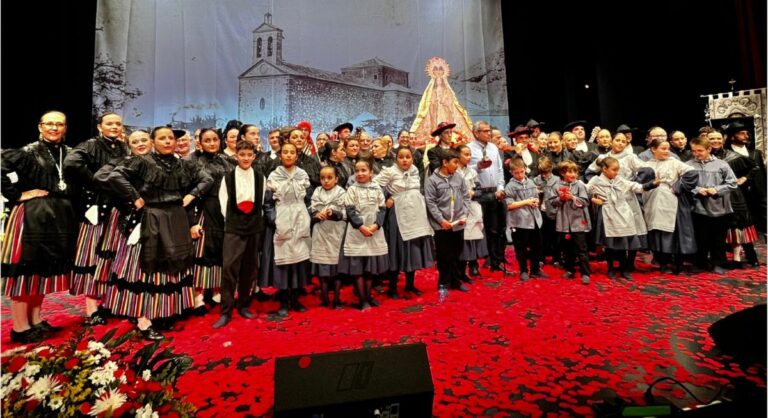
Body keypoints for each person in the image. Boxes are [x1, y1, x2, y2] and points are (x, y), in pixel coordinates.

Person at [99, 126, 213, 340]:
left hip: (176, 217)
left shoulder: (184, 164)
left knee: (173, 265)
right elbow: (115, 176)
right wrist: (135, 197)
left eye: (170, 138)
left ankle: (163, 313)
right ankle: (144, 321)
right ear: (153, 141)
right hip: (150, 217)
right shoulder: (141, 161)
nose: (168, 141)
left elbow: (206, 179)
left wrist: (192, 196)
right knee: (145, 269)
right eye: (162, 138)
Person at [2, 110, 76, 343]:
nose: (54, 128)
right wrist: (18, 194)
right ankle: (20, 327)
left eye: (59, 124)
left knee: (43, 270)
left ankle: (35, 320)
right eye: (49, 124)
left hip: (59, 215)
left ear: (65, 128)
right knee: (26, 269)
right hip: (32, 214)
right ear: (40, 126)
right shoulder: (27, 152)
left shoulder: (71, 153)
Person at [65, 112, 130, 325]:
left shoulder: (122, 147)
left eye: (118, 124)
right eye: (109, 123)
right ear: (100, 126)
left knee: (110, 258)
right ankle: (91, 309)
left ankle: (106, 303)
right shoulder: (90, 145)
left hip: (115, 210)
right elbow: (71, 163)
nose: (114, 127)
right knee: (91, 257)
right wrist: (95, 182)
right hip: (96, 210)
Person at [212, 140, 266, 328]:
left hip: (253, 227)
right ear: (236, 156)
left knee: (249, 269)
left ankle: (243, 305)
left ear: (254, 156)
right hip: (234, 227)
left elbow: (260, 203)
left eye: (249, 155)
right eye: (242, 155)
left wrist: (252, 221)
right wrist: (235, 221)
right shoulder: (227, 177)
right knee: (229, 269)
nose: (245, 158)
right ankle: (226, 311)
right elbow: (223, 203)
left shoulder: (260, 177)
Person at [185, 128, 235, 315]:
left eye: (215, 139)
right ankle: (197, 298)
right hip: (202, 210)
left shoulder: (227, 161)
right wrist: (192, 222)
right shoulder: (191, 161)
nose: (212, 143)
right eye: (208, 140)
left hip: (222, 212)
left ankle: (215, 292)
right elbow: (188, 193)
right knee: (201, 253)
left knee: (220, 252)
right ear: (199, 142)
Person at [375, 147, 435, 298]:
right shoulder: (389, 172)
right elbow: (374, 186)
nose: (405, 160)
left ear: (412, 159)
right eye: (401, 157)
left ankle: (410, 285)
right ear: (396, 159)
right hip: (398, 214)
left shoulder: (415, 170)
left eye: (408, 157)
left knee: (413, 249)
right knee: (397, 248)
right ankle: (393, 288)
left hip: (415, 214)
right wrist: (386, 199)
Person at [262, 141, 312, 316]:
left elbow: (308, 199)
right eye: (285, 152)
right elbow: (268, 203)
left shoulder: (302, 175)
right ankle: (283, 300)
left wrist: (307, 216)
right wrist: (275, 220)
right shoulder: (274, 176)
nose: (289, 155)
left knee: (298, 261)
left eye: (292, 152)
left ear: (296, 155)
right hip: (282, 219)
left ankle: (296, 299)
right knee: (284, 262)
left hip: (300, 218)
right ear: (280, 155)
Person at [588, 157, 658, 280]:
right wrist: (593, 199)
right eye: (614, 170)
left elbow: (636, 187)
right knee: (610, 245)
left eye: (618, 170)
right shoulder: (596, 181)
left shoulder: (619, 180)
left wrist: (652, 184)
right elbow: (585, 190)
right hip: (608, 214)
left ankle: (624, 270)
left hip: (622, 215)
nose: (617, 172)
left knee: (623, 244)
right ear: (604, 169)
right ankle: (610, 269)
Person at [338, 158, 389, 310]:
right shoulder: (352, 189)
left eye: (364, 170)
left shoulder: (377, 188)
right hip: (357, 232)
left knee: (369, 268)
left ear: (371, 172)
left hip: (374, 232)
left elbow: (382, 209)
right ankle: (362, 299)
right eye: (357, 171)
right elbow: (350, 210)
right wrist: (361, 227)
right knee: (358, 268)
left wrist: (375, 226)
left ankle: (368, 296)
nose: (360, 174)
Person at [641, 138, 698, 274]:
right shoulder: (647, 165)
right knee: (657, 232)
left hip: (672, 201)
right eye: (663, 148)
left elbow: (692, 174)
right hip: (653, 202)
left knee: (674, 232)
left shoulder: (674, 162)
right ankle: (663, 263)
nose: (667, 151)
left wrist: (678, 186)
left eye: (668, 149)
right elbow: (640, 181)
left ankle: (678, 263)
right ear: (653, 149)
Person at [687, 136, 738, 274]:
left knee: (718, 238)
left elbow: (732, 183)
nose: (696, 154)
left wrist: (716, 190)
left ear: (709, 149)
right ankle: (701, 262)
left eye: (700, 151)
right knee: (701, 237)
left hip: (720, 208)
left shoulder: (722, 165)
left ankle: (718, 262)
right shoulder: (689, 165)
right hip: (698, 208)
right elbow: (685, 184)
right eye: (694, 151)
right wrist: (697, 190)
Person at [425, 148, 470, 292]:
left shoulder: (459, 177)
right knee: (444, 255)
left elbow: (466, 197)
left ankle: (456, 281)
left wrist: (465, 214)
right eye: (455, 162)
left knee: (457, 253)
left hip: (458, 224)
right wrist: (440, 220)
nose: (457, 165)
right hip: (442, 226)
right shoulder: (432, 180)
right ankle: (444, 282)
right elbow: (430, 203)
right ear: (445, 162)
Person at [468, 121, 507, 272]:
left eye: (489, 130)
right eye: (485, 131)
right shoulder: (469, 148)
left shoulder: (493, 147)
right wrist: (477, 166)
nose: (489, 133)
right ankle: (473, 264)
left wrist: (500, 187)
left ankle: (494, 261)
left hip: (494, 192)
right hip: (478, 193)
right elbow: (463, 168)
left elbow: (499, 170)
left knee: (494, 229)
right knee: (476, 229)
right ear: (476, 133)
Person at [309, 166, 347, 309]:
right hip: (321, 232)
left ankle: (337, 298)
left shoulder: (341, 192)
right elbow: (313, 208)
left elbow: (345, 212)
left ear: (336, 179)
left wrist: (334, 212)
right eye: (323, 178)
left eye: (329, 178)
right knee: (323, 268)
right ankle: (324, 298)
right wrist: (316, 215)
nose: (326, 181)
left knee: (337, 268)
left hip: (336, 232)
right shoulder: (317, 191)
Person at [505, 159, 547, 281]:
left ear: (525, 170)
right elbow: (509, 205)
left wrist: (535, 202)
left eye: (522, 172)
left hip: (534, 219)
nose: (520, 175)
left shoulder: (531, 182)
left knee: (537, 246)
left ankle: (535, 270)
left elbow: (536, 197)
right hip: (519, 222)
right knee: (521, 248)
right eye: (516, 173)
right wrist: (526, 202)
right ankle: (523, 270)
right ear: (511, 172)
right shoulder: (510, 186)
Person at [550, 161, 592, 284]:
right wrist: (560, 199)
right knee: (567, 249)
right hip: (564, 223)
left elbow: (585, 202)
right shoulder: (556, 186)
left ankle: (585, 273)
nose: (572, 174)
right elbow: (552, 202)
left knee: (581, 249)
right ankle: (570, 270)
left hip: (578, 223)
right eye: (569, 172)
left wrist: (572, 198)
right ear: (562, 173)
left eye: (574, 171)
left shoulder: (580, 185)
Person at [456, 144, 488, 279]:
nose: (469, 157)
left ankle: (473, 265)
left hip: (472, 206)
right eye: (466, 154)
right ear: (458, 155)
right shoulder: (454, 171)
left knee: (474, 236)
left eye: (470, 154)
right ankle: (460, 269)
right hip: (458, 208)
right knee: (462, 238)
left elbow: (479, 190)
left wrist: (474, 193)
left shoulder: (472, 172)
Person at [533, 157, 561, 265]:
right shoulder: (536, 180)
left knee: (556, 236)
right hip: (540, 211)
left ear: (551, 168)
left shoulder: (558, 180)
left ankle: (557, 258)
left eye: (547, 172)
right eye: (542, 173)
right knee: (540, 236)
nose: (544, 175)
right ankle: (541, 258)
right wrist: (535, 192)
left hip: (554, 211)